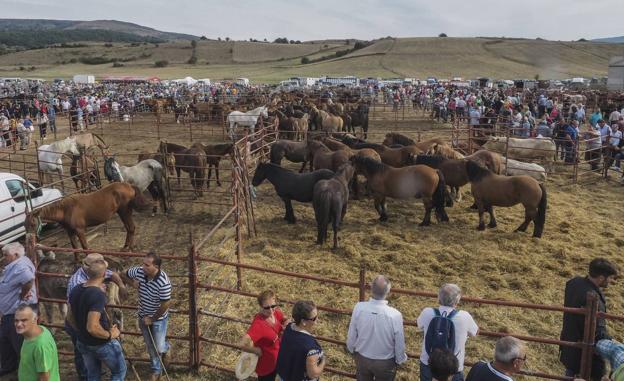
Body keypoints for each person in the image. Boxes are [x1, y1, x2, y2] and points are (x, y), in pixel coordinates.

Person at [66, 253, 127, 381]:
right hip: (100, 343)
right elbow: (92, 327)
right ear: (104, 275)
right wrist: (111, 334)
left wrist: (81, 333)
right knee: (119, 372)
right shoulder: (98, 295)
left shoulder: (76, 288)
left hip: (83, 342)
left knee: (93, 375)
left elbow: (70, 317)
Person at [560, 258, 618, 381]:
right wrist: (612, 342)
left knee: (570, 374)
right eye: (610, 278)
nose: (611, 281)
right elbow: (597, 331)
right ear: (601, 278)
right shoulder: (593, 299)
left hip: (569, 345)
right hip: (585, 355)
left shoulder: (573, 283)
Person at [347, 275, 407, 381]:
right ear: (388, 292)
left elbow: (352, 332)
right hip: (385, 361)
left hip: (362, 357)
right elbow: (399, 341)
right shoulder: (395, 315)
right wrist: (400, 359)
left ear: (370, 289)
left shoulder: (359, 307)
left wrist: (351, 348)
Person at [123, 252, 172, 381]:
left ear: (156, 266)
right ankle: (156, 370)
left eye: (146, 265)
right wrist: (131, 283)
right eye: (143, 263)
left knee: (159, 346)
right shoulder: (139, 272)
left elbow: (165, 304)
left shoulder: (163, 282)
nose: (142, 267)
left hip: (158, 319)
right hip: (143, 314)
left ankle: (166, 348)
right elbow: (123, 273)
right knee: (151, 346)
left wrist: (152, 319)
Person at [417, 284, 478, 381]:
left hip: (429, 363)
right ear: (457, 300)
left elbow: (419, 325)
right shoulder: (464, 316)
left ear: (438, 298)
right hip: (453, 368)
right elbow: (474, 332)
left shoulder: (427, 312)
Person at [0, 242, 37, 376]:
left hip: (18, 312)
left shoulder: (20, 266)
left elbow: (29, 279)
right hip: (10, 312)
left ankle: (26, 372)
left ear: (15, 255)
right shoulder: (15, 263)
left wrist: (23, 292)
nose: (3, 257)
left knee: (19, 343)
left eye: (6, 255)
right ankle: (9, 367)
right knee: (6, 340)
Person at [238, 290, 288, 381]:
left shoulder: (276, 313)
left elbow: (283, 318)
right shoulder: (259, 324)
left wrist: (286, 322)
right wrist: (256, 350)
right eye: (266, 307)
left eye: (273, 306)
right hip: (266, 366)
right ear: (261, 307)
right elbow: (242, 344)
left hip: (278, 360)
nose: (270, 310)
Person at [276, 300, 325, 381]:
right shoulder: (310, 347)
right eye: (314, 318)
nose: (317, 320)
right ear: (303, 321)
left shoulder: (289, 327)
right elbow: (313, 374)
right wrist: (323, 361)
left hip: (284, 376)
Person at [15, 304, 60, 381]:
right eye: (16, 320)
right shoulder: (35, 331)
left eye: (24, 320)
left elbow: (44, 378)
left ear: (35, 319)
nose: (18, 324)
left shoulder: (40, 346)